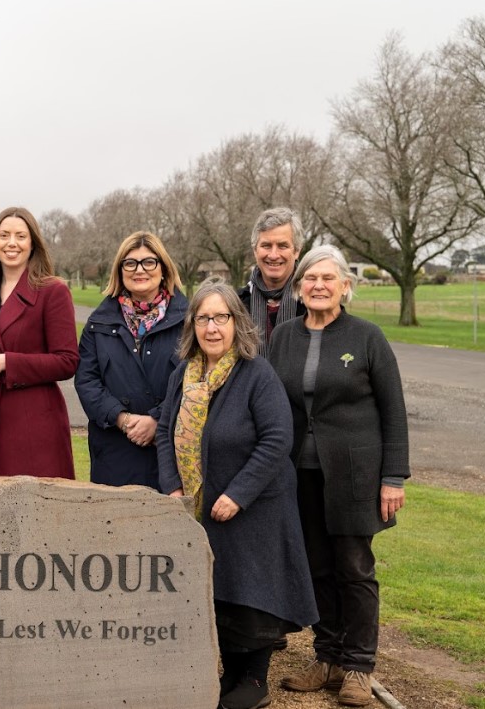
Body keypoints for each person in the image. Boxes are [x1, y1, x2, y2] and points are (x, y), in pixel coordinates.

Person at [156, 278, 317, 709]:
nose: (212, 328)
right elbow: (165, 433)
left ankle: (256, 682)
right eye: (204, 318)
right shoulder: (184, 375)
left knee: (252, 593)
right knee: (219, 592)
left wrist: (238, 494)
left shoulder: (255, 373)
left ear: (236, 323)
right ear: (192, 324)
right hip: (200, 505)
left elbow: (277, 439)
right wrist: (172, 486)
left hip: (254, 507)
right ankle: (229, 675)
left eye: (221, 318)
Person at [269, 245, 409, 708]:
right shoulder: (283, 337)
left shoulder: (367, 337)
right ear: (298, 287)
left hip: (354, 474)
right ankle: (326, 658)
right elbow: (272, 403)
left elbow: (394, 412)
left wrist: (393, 477)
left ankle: (358, 666)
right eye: (310, 279)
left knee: (354, 568)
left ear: (345, 285)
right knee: (316, 567)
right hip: (298, 473)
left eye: (328, 278)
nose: (319, 286)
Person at [0, 207, 79, 477]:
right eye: (4, 235)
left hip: (32, 426)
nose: (12, 243)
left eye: (20, 236)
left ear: (32, 243)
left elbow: (67, 360)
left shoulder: (53, 291)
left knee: (33, 514)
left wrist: (5, 362)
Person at [74, 231, 188, 489]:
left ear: (163, 268)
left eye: (149, 262)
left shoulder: (189, 319)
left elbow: (196, 377)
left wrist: (157, 420)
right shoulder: (98, 322)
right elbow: (86, 381)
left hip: (170, 448)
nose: (140, 270)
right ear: (120, 269)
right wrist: (123, 420)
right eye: (130, 263)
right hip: (115, 449)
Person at [239, 207, 305, 356]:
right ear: (255, 251)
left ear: (297, 251)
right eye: (266, 246)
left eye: (282, 246)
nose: (274, 255)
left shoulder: (312, 305)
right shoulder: (236, 306)